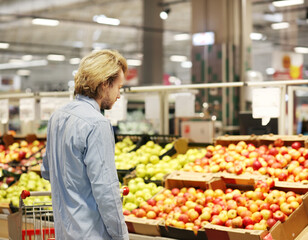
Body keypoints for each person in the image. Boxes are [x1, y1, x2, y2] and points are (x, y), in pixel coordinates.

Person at [41, 49, 129, 240]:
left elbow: (46, 171)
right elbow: (106, 191)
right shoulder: (97, 123)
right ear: (105, 83)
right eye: (118, 87)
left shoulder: (57, 116)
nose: (119, 95)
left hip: (64, 231)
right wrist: (121, 236)